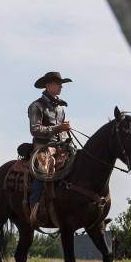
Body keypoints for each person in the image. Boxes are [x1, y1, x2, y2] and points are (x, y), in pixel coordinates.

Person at [27, 71, 74, 224]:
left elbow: (63, 132)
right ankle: (35, 208)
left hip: (61, 147)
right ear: (48, 86)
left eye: (61, 84)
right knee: (44, 170)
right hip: (43, 147)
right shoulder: (36, 106)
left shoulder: (60, 108)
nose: (61, 87)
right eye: (57, 84)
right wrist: (57, 128)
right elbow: (35, 129)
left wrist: (68, 140)